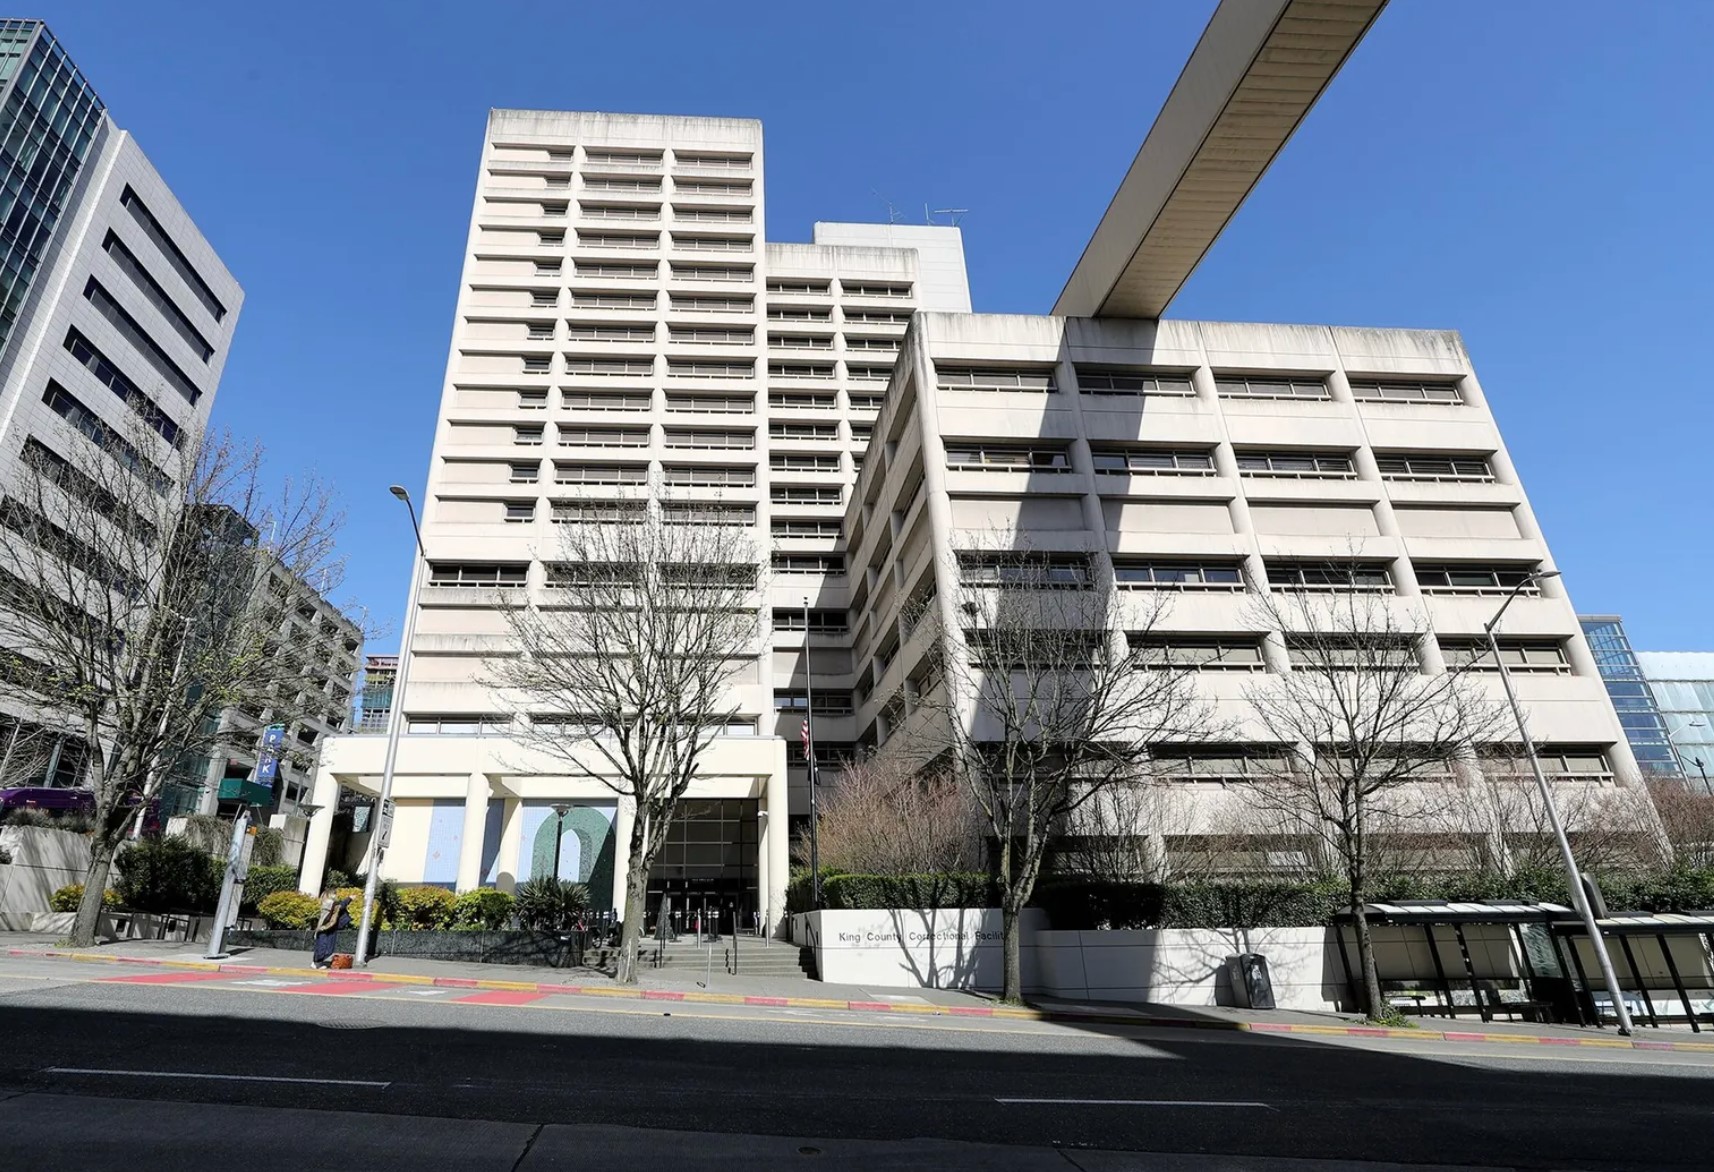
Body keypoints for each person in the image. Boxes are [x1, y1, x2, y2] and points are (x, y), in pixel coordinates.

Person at [312, 890, 352, 969]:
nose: (335, 895)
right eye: (334, 894)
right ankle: (317, 962)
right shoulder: (327, 903)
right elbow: (340, 906)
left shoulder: (334, 904)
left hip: (332, 928)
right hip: (324, 927)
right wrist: (349, 899)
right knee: (322, 947)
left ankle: (318, 962)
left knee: (330, 949)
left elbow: (338, 908)